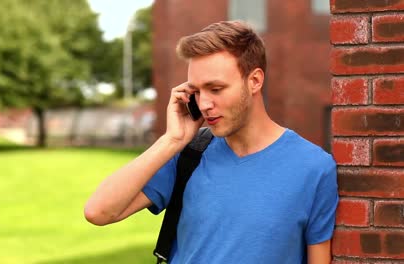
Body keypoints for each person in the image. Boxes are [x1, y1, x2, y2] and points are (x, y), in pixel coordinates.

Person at [84, 20, 338, 264]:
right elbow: (99, 211)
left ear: (255, 81)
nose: (204, 104)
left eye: (215, 89)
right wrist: (172, 140)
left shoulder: (313, 168)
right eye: (196, 91)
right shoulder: (188, 155)